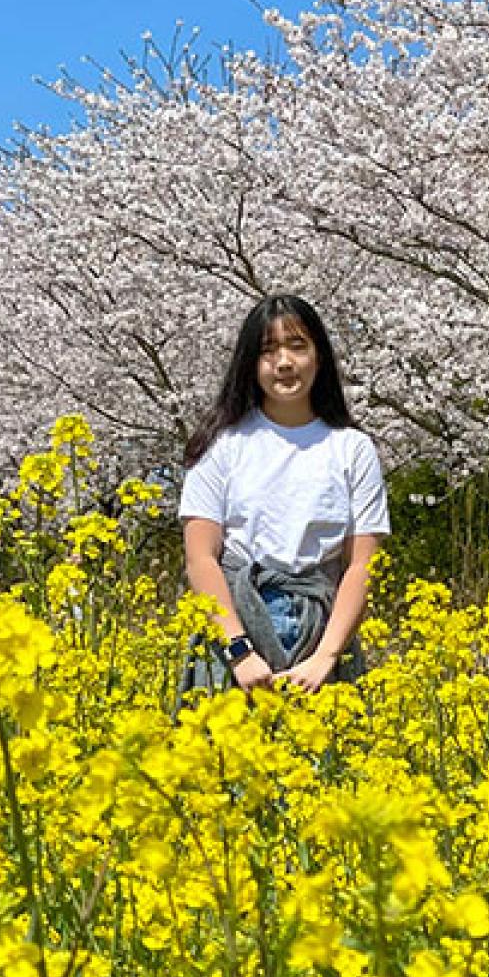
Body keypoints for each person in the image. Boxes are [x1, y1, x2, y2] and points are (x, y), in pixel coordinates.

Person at [179, 294, 391, 695]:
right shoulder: (221, 445)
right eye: (268, 351)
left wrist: (326, 657)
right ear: (249, 363)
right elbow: (201, 557)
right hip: (235, 627)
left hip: (324, 628)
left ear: (320, 356)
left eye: (297, 346)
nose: (284, 363)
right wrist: (238, 650)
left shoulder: (353, 448)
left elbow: (362, 565)